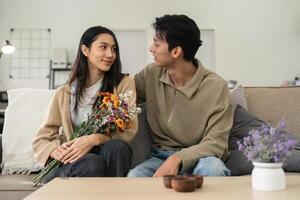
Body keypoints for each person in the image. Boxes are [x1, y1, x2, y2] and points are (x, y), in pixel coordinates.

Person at [128, 14, 233, 177]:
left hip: (202, 157)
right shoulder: (151, 74)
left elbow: (216, 142)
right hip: (160, 156)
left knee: (213, 169)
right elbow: (123, 93)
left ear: (176, 51)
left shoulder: (216, 86)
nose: (151, 48)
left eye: (156, 44)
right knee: (136, 176)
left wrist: (178, 158)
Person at [32, 26, 137, 182]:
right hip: (77, 161)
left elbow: (129, 129)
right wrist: (56, 151)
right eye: (103, 47)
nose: (110, 54)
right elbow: (42, 138)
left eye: (113, 49)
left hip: (108, 154)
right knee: (92, 164)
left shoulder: (123, 84)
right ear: (85, 50)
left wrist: (95, 139)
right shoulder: (65, 92)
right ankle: (54, 180)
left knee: (117, 147)